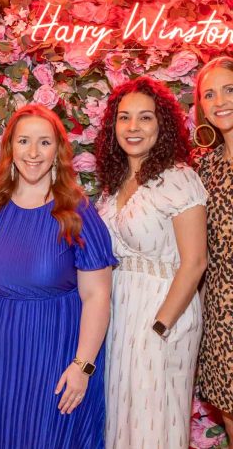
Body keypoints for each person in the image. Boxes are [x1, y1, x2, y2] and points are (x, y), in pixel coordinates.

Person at [0, 104, 117, 449]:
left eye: (44, 143)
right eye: (23, 141)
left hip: (55, 356)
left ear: (58, 151)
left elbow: (97, 297)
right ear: (10, 148)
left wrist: (83, 366)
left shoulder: (76, 211)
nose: (33, 153)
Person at [96, 76, 208, 449]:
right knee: (121, 416)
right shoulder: (114, 185)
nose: (133, 127)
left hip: (163, 313)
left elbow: (194, 261)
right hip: (119, 313)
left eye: (145, 118)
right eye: (124, 118)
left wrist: (161, 326)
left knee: (155, 420)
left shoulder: (179, 179)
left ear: (162, 124)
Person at [193, 56, 233, 448]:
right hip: (221, 315)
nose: (219, 100)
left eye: (229, 89)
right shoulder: (205, 169)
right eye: (209, 93)